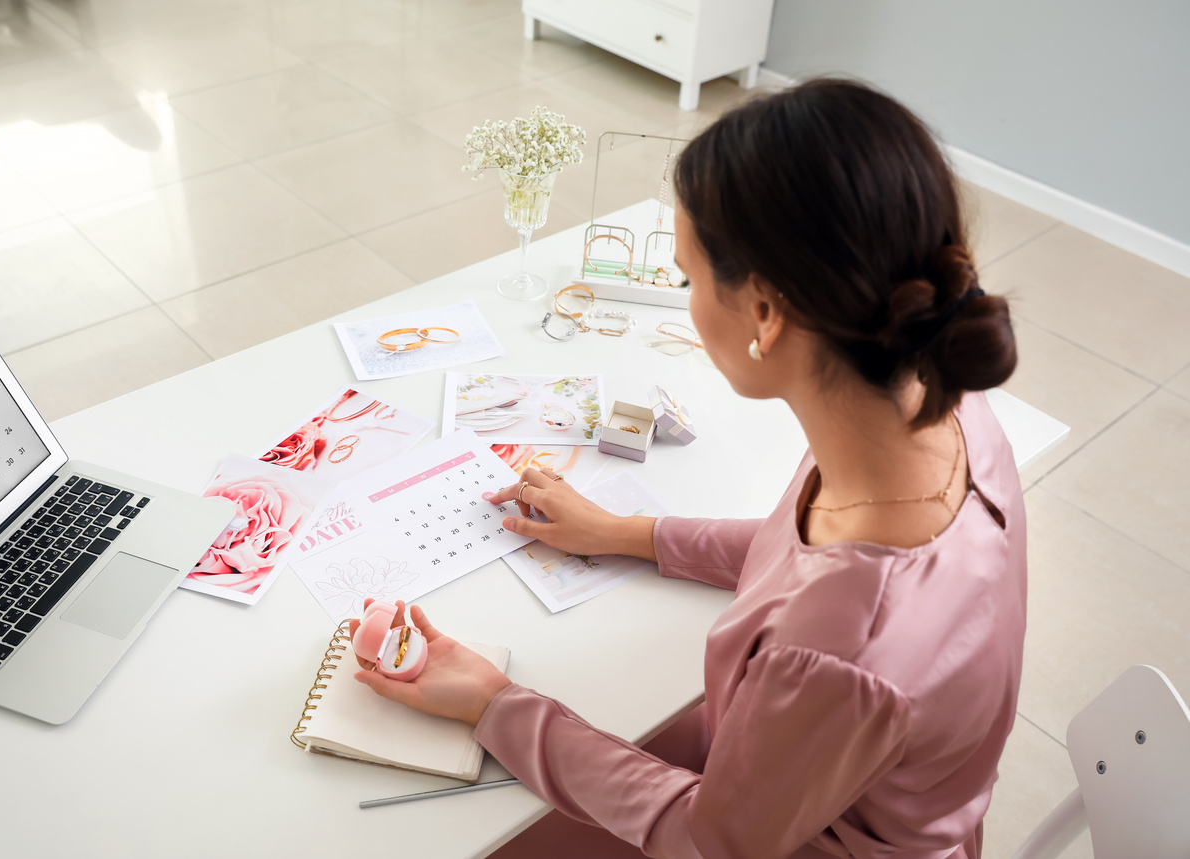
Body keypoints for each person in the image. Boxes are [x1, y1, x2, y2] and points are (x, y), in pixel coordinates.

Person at [351, 78, 1026, 859]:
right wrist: (631, 533)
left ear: (766, 314)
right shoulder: (939, 411)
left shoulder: (836, 651)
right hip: (825, 781)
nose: (684, 298)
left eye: (684, 276)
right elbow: (806, 557)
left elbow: (711, 839)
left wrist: (495, 704)